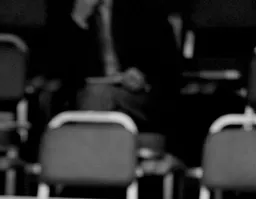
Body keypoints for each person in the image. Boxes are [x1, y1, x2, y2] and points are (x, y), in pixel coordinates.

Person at [47, 0, 182, 135]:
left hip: (136, 93)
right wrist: (78, 20)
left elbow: (168, 63)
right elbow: (55, 69)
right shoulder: (66, 8)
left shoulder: (144, 7)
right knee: (96, 95)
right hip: (84, 92)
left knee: (98, 97)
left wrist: (143, 77)